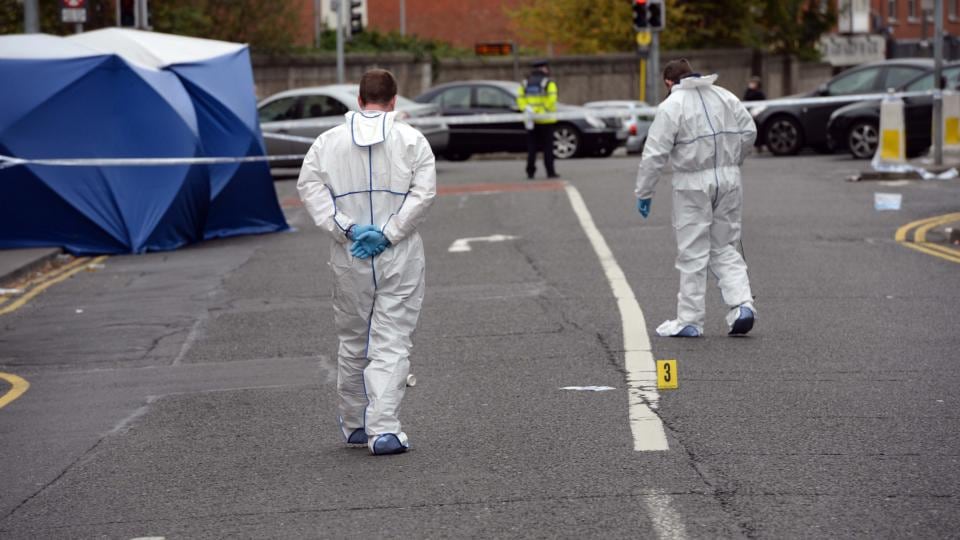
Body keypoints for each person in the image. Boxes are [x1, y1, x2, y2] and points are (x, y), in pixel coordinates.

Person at [297, 69, 436, 455]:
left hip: (349, 255)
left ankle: (356, 424)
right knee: (391, 339)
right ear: (394, 101)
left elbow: (309, 187)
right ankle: (384, 430)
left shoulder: (327, 142)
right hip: (399, 253)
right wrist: (388, 233)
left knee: (354, 338)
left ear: (358, 100)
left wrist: (346, 228)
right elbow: (423, 195)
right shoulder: (412, 140)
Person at [634, 59, 757, 338]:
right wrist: (733, 161)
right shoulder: (724, 95)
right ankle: (742, 305)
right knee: (725, 246)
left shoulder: (671, 106)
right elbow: (749, 131)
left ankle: (689, 319)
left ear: (669, 82)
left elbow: (654, 154)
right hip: (728, 179)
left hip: (691, 183)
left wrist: (645, 192)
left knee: (692, 253)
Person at [517, 60, 559, 180]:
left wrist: (527, 109)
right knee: (548, 148)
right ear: (544, 69)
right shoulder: (548, 82)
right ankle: (550, 172)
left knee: (532, 148)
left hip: (531, 120)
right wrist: (543, 110)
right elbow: (552, 99)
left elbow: (520, 99)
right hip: (546, 120)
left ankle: (530, 172)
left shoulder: (525, 83)